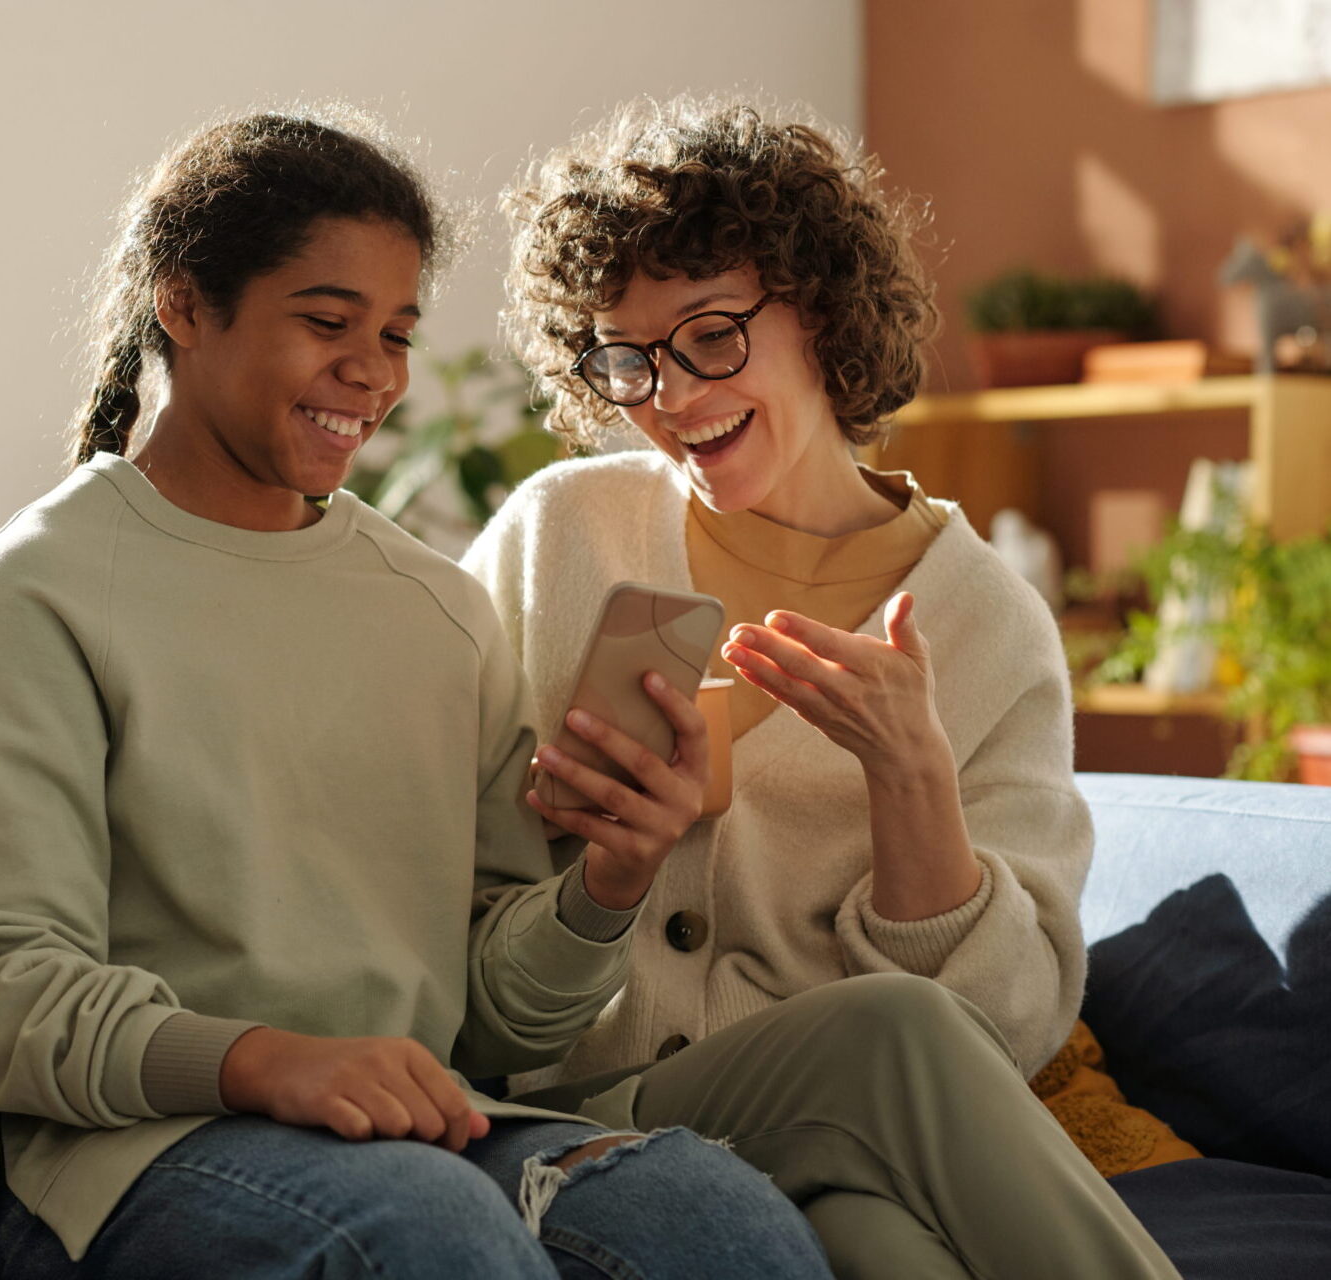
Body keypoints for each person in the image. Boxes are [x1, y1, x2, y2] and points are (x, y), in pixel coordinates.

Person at [0, 108, 831, 1280]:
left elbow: (491, 1021)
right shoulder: (42, 590)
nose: (372, 374)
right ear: (184, 303)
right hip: (124, 1156)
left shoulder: (434, 611)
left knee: (723, 1223)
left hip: (423, 1129)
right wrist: (266, 1059)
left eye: (395, 334)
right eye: (328, 323)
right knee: (429, 1235)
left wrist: (605, 885)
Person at [462, 97, 1180, 1279]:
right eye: (627, 359)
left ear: (820, 308)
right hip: (580, 1105)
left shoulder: (986, 621)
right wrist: (590, 842)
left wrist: (913, 781)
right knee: (892, 1031)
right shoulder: (560, 536)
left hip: (825, 1139)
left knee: (902, 1257)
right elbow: (436, 868)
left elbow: (1006, 1030)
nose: (673, 396)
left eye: (710, 336)